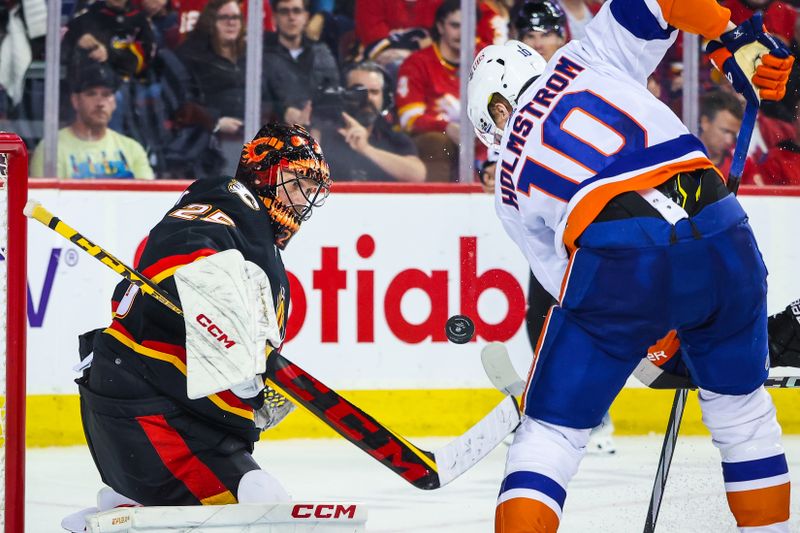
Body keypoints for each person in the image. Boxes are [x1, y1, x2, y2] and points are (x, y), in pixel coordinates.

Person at [467, 0, 794, 530]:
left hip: (620, 255)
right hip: (722, 227)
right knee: (743, 415)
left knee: (551, 433)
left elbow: (568, 283)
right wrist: (728, 37)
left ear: (498, 112)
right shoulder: (585, 56)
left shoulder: (506, 179)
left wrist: (656, 342)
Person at [61, 123, 331, 531]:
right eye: (298, 182)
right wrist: (238, 354)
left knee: (251, 496)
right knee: (264, 505)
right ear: (263, 172)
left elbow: (221, 344)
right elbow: (186, 251)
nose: (304, 198)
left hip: (150, 408)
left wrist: (254, 400)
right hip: (149, 410)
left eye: (313, 189)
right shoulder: (229, 200)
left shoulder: (258, 243)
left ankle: (130, 502)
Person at [30, 63, 154, 179]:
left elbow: (148, 198)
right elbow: (46, 200)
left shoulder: (132, 149)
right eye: (91, 94)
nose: (100, 103)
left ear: (114, 102)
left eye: (106, 95)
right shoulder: (51, 149)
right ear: (75, 101)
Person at [315, 61, 426, 182]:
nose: (367, 98)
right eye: (359, 91)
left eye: (374, 92)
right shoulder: (322, 133)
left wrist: (365, 148)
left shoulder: (394, 139)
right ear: (344, 93)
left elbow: (417, 175)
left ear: (385, 98)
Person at [176, 0, 247, 176]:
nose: (231, 22)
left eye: (236, 17)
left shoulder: (250, 55)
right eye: (224, 17)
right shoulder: (190, 56)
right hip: (208, 142)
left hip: (253, 136)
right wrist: (215, 122)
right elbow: (183, 102)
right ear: (210, 22)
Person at [395, 0, 463, 182]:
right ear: (440, 27)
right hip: (434, 139)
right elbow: (409, 119)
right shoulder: (417, 63)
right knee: (438, 142)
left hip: (478, 140)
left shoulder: (484, 62)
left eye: (467, 26)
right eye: (455, 25)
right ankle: (438, 202)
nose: (462, 33)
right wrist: (446, 127)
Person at [261, 0, 340, 127]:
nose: (291, 17)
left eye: (296, 11)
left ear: (306, 17)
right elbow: (257, 99)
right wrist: (283, 111)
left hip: (319, 132)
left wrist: (316, 122)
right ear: (274, 18)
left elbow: (334, 96)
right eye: (284, 11)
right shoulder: (261, 55)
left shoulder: (322, 52)